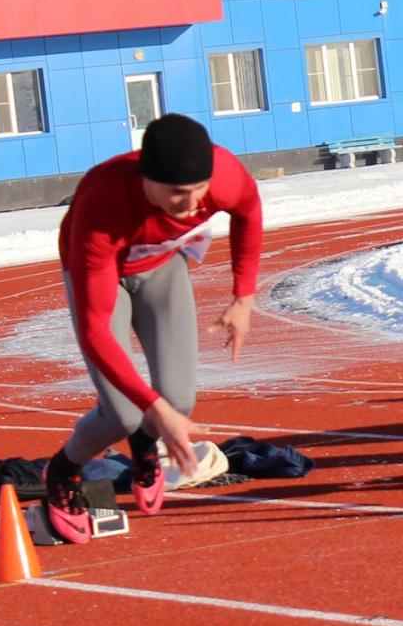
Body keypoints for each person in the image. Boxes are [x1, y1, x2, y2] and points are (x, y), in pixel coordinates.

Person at [45, 114, 262, 543]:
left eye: (200, 189)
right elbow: (95, 332)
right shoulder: (102, 204)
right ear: (147, 179)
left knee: (179, 399)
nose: (193, 204)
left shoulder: (223, 176)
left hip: (160, 267)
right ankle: (64, 470)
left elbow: (249, 213)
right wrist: (154, 412)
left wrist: (243, 297)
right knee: (123, 414)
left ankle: (144, 448)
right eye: (178, 194)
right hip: (101, 274)